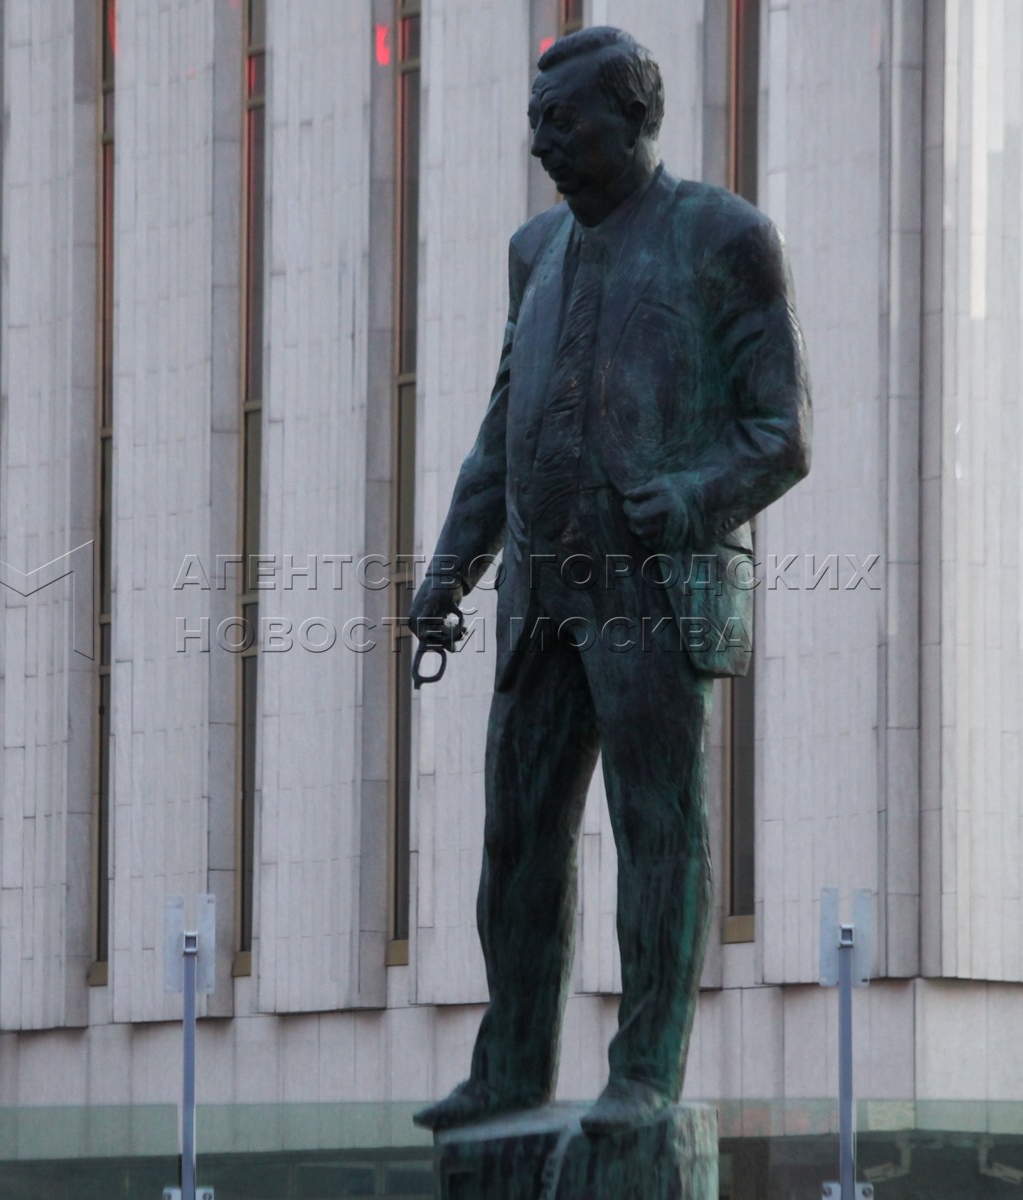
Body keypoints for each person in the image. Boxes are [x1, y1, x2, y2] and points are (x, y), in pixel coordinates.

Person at [408, 26, 811, 1137]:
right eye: (535, 124)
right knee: (517, 836)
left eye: (564, 123)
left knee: (656, 832)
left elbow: (782, 433)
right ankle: (510, 1066)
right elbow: (500, 436)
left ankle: (644, 1072)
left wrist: (685, 499)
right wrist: (448, 572)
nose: (543, 145)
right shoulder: (532, 253)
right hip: (541, 596)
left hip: (655, 596)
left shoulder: (723, 237)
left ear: (634, 122)